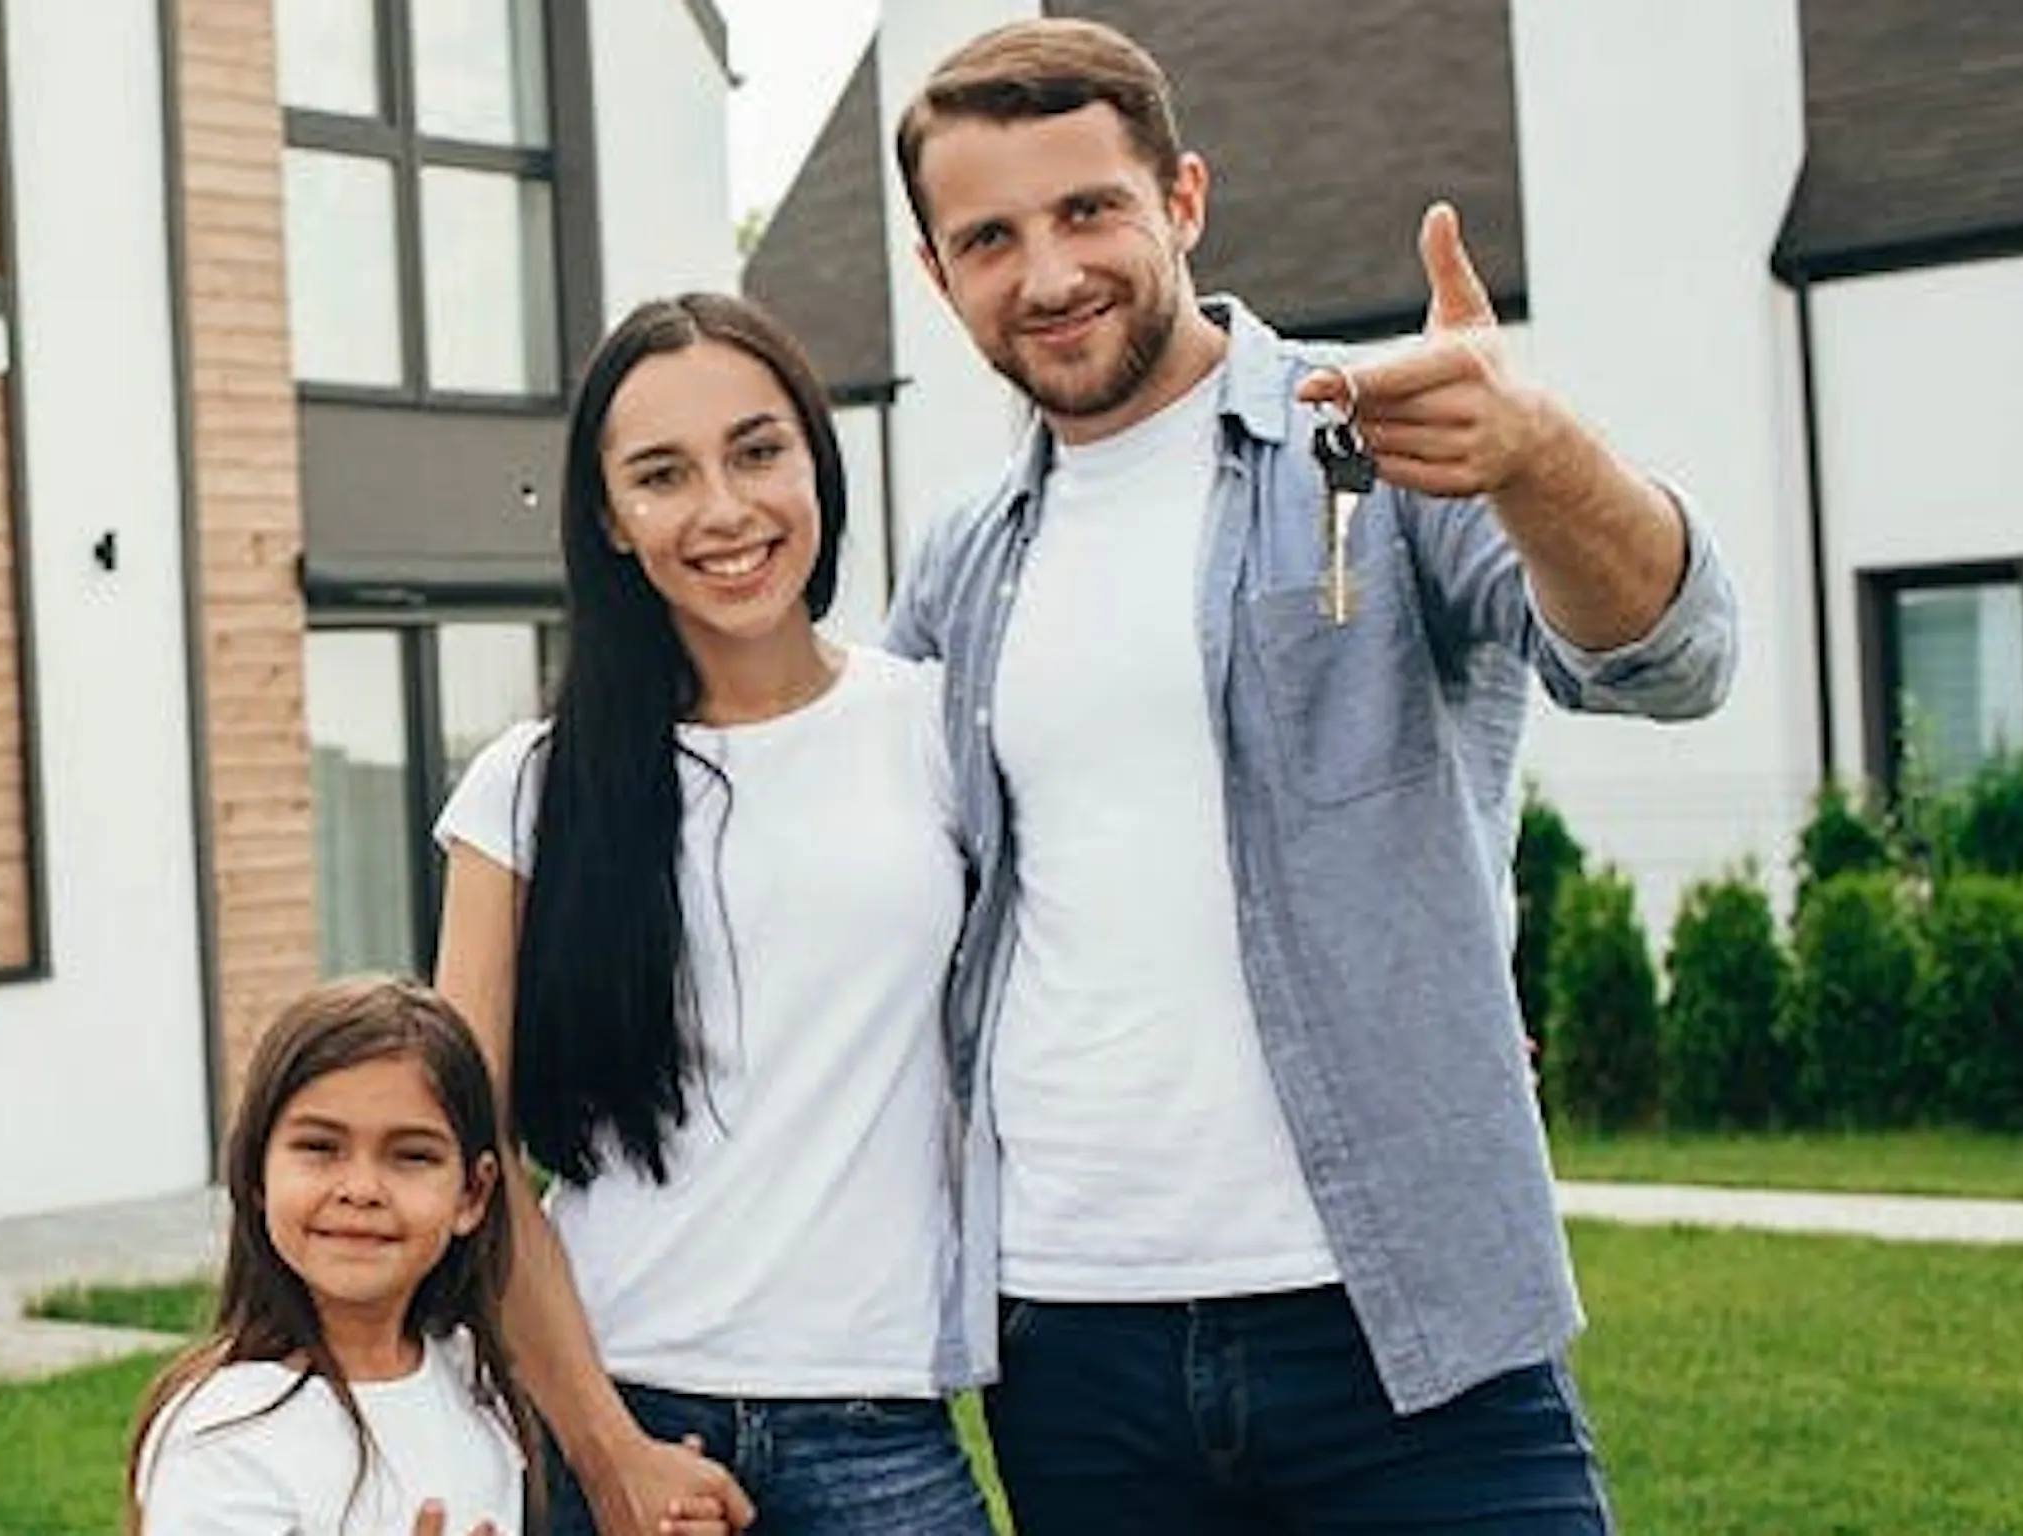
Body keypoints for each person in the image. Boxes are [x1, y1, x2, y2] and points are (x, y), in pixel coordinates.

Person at [878, 19, 1740, 1534]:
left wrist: (1540, 453)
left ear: (1184, 201)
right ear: (940, 276)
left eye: (1089, 210)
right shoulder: (962, 560)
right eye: (990, 239)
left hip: (1406, 1320)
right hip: (1074, 1343)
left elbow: (1672, 661)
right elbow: (879, 880)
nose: (1050, 273)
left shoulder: (1379, 440)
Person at [432, 291, 993, 1536]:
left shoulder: (940, 731)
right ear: (610, 520)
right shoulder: (528, 789)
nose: (726, 509)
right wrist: (608, 1452)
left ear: (816, 462)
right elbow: (472, 1155)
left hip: (878, 1421)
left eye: (757, 451)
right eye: (662, 475)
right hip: (612, 1409)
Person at [129, 976, 558, 1536]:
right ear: (256, 1174)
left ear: (472, 1195)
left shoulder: (474, 1383)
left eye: (411, 1156)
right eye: (320, 1148)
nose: (360, 1190)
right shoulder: (221, 1433)